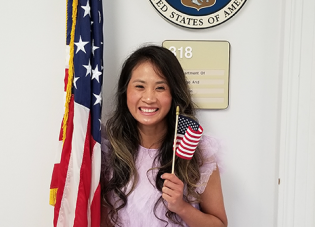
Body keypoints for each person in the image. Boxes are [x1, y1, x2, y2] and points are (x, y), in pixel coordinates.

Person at [100, 45, 227, 227]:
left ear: (173, 94)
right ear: (125, 92)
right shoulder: (109, 150)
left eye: (160, 88)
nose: (149, 98)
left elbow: (220, 224)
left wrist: (181, 207)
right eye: (140, 86)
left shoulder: (200, 153)